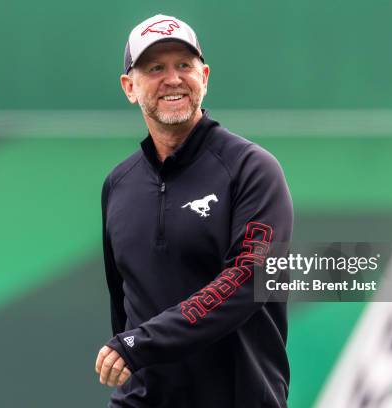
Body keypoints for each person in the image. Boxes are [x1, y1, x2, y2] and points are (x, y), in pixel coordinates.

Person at [95, 14, 294, 408]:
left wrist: (140, 343)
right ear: (129, 87)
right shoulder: (118, 184)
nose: (173, 79)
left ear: (204, 76)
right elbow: (124, 304)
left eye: (184, 65)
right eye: (155, 68)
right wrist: (132, 348)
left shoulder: (251, 169)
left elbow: (247, 281)